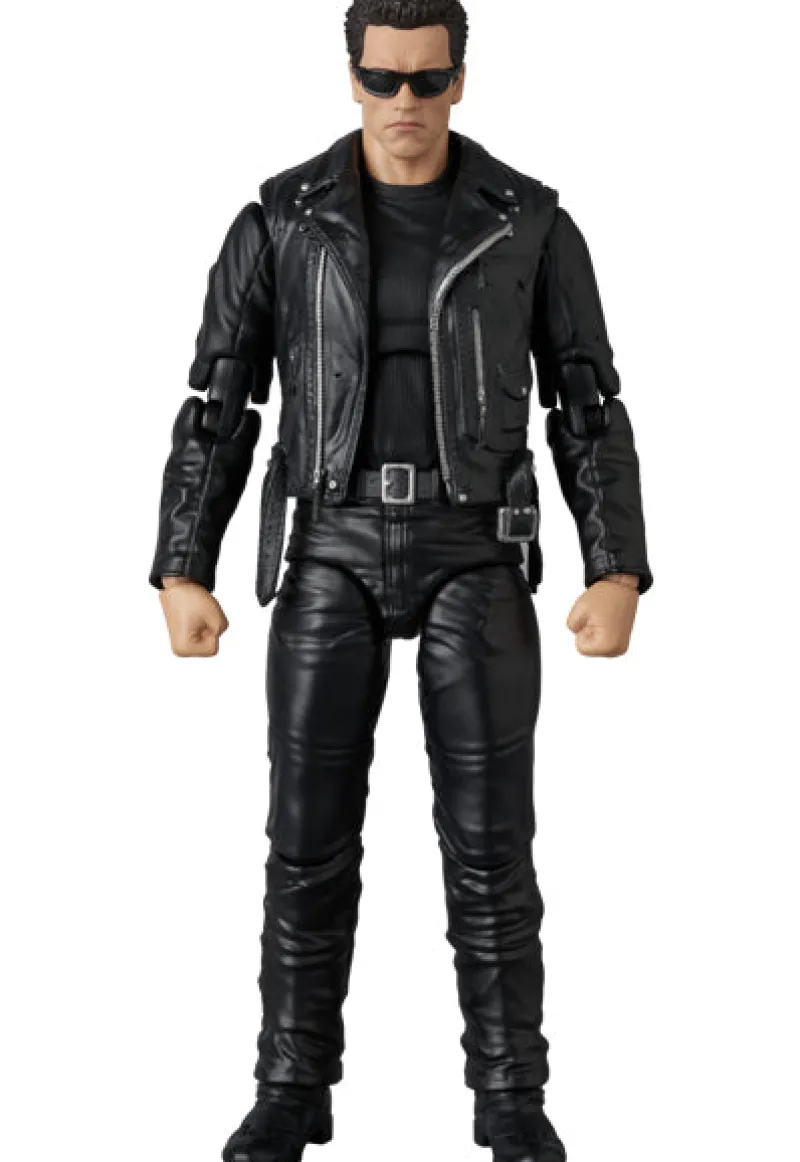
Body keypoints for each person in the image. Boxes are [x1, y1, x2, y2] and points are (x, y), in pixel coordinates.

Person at [149, 3, 652, 1159]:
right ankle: (289, 1088)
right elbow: (219, 402)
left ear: (459, 81)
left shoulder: (529, 221)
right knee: (303, 837)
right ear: (351, 77)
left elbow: (587, 403)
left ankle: (511, 1097)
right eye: (383, 79)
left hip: (474, 541)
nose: (404, 103)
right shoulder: (282, 217)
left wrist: (614, 562)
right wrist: (183, 562)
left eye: (426, 80)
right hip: (327, 538)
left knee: (490, 845)